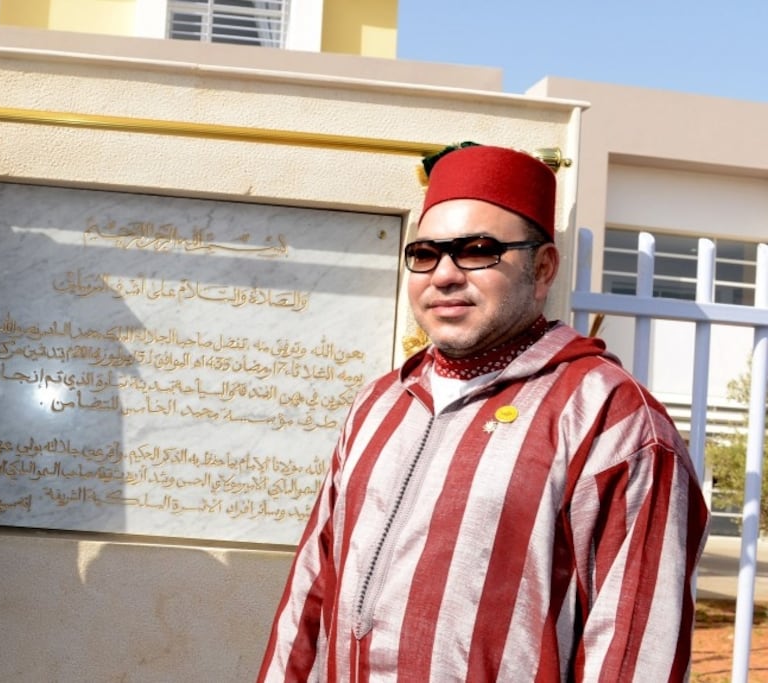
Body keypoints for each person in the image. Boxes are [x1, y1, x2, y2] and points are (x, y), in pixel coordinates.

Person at [257, 144, 709, 682]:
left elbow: (639, 647)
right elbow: (313, 589)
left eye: (477, 250)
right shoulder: (378, 403)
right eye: (425, 254)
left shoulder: (607, 415)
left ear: (542, 268)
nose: (444, 275)